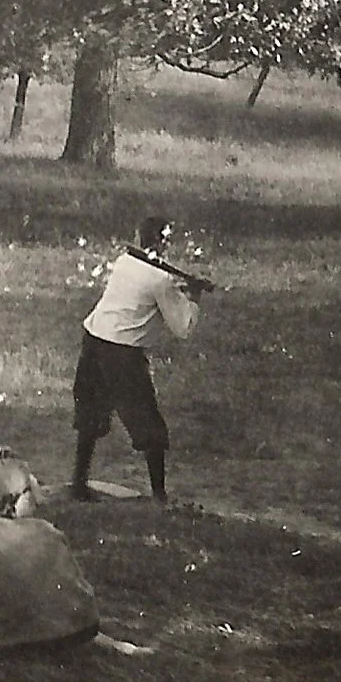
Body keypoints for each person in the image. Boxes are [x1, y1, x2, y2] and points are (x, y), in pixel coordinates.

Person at [0, 447, 154, 669]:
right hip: (64, 635)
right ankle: (117, 646)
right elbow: (73, 591)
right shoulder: (47, 530)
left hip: (2, 639)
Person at [69, 215, 206, 503]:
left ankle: (78, 484)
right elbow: (184, 327)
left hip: (94, 339)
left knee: (90, 415)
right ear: (160, 242)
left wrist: (178, 290)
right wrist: (194, 297)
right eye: (165, 240)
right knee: (148, 424)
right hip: (121, 353)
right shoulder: (161, 279)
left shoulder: (125, 262)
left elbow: (146, 290)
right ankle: (159, 496)